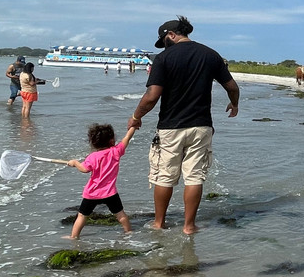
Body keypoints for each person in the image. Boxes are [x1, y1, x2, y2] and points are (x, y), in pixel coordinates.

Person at [128, 16, 240, 234]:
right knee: (195, 177)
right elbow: (232, 86)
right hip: (201, 126)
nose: (164, 45)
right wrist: (234, 104)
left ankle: (159, 223)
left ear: (171, 35)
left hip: (171, 126)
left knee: (164, 176)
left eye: (164, 40)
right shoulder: (210, 54)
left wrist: (136, 116)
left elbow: (152, 96)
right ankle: (189, 226)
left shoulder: (163, 59)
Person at [65, 124, 135, 239]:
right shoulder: (115, 152)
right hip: (110, 192)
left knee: (82, 216)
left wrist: (75, 163)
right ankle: (129, 232)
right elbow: (127, 138)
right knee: (120, 215)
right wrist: (133, 127)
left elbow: (85, 169)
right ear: (112, 140)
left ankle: (73, 236)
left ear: (93, 142)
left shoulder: (93, 157)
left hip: (92, 193)